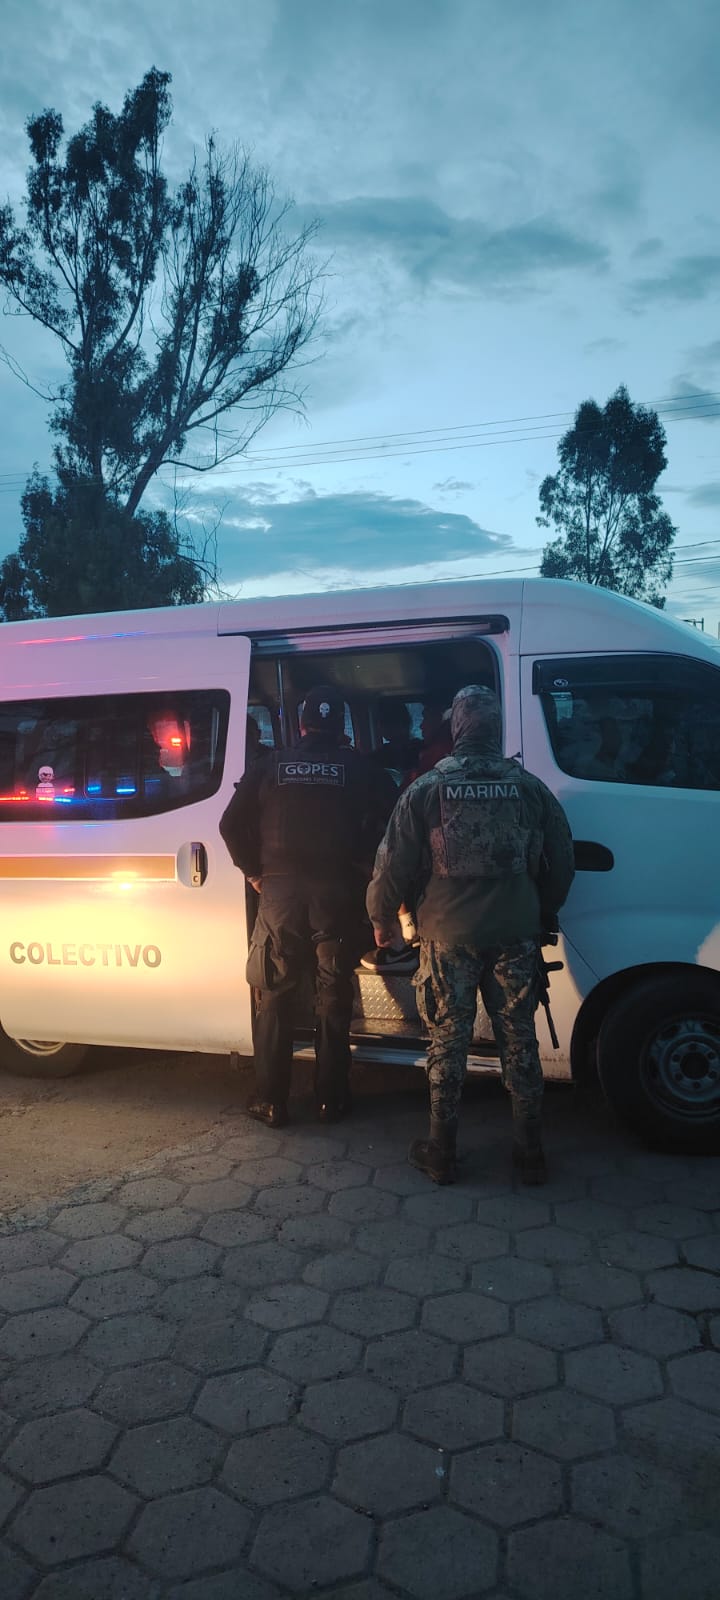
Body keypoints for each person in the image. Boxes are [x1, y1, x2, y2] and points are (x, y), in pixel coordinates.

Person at [366, 685, 575, 1186]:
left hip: (448, 935)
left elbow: (393, 862)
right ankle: (529, 1152)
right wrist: (543, 911)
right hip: (515, 933)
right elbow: (563, 858)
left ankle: (441, 1151)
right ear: (494, 728)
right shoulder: (528, 788)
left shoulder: (427, 789)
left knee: (448, 1040)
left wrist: (381, 916)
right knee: (519, 1039)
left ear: (457, 727)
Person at [219, 685, 396, 1128]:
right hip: (336, 895)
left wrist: (254, 872)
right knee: (332, 996)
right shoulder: (359, 768)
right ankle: (330, 1100)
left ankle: (271, 1100)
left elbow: (230, 824)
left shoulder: (270, 766)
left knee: (275, 994)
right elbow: (395, 820)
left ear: (301, 726)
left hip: (280, 896)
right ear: (341, 727)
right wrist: (365, 866)